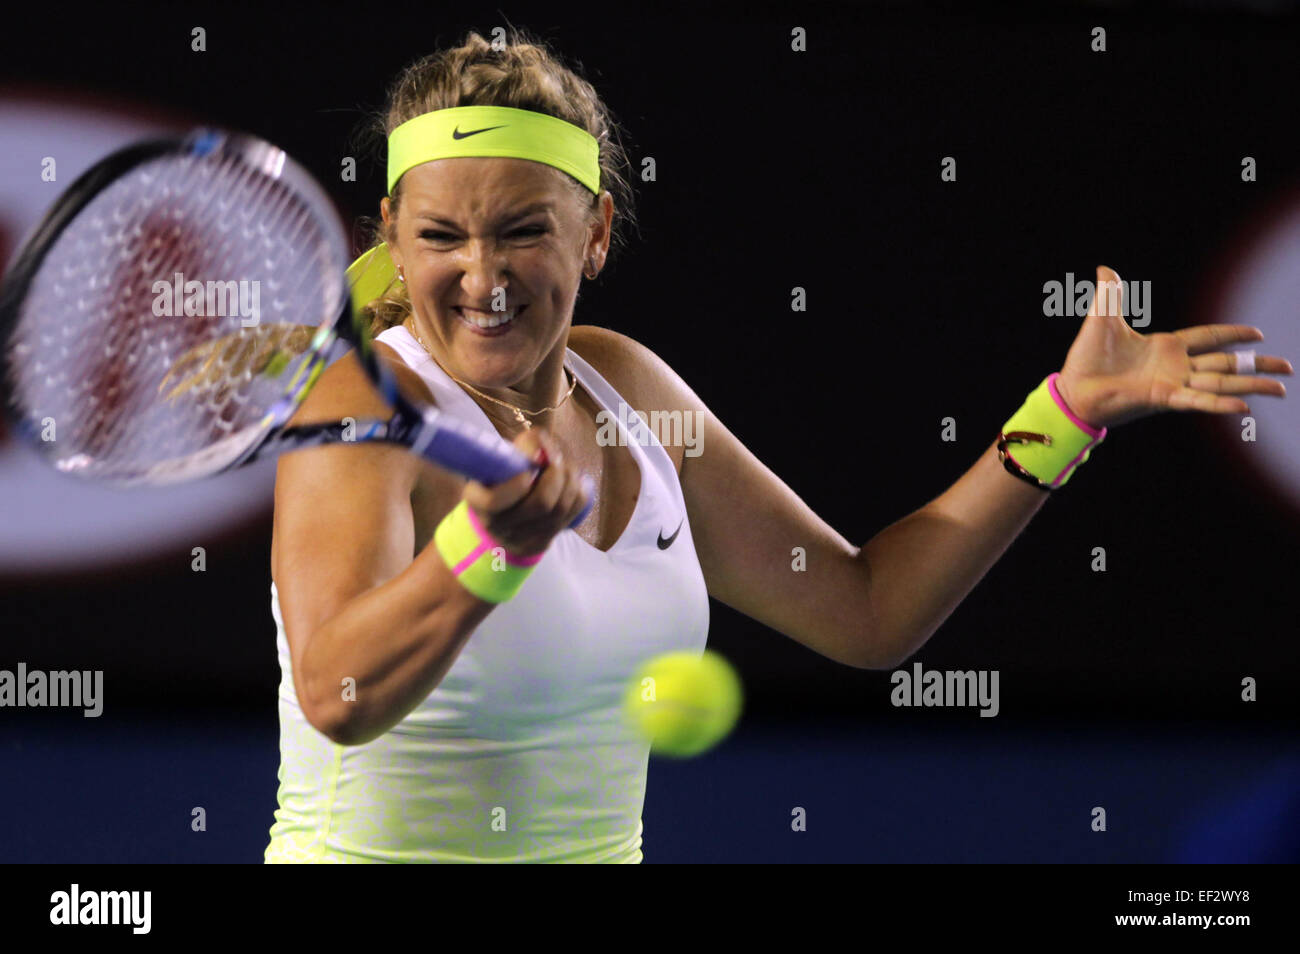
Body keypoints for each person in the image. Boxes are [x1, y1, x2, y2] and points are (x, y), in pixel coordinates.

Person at [264, 29, 1292, 863]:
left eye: (524, 230)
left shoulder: (624, 385)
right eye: (442, 236)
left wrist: (1065, 416)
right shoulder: (362, 399)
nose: (483, 275)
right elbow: (335, 697)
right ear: (393, 234)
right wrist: (488, 549)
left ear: (597, 234)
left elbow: (865, 610)